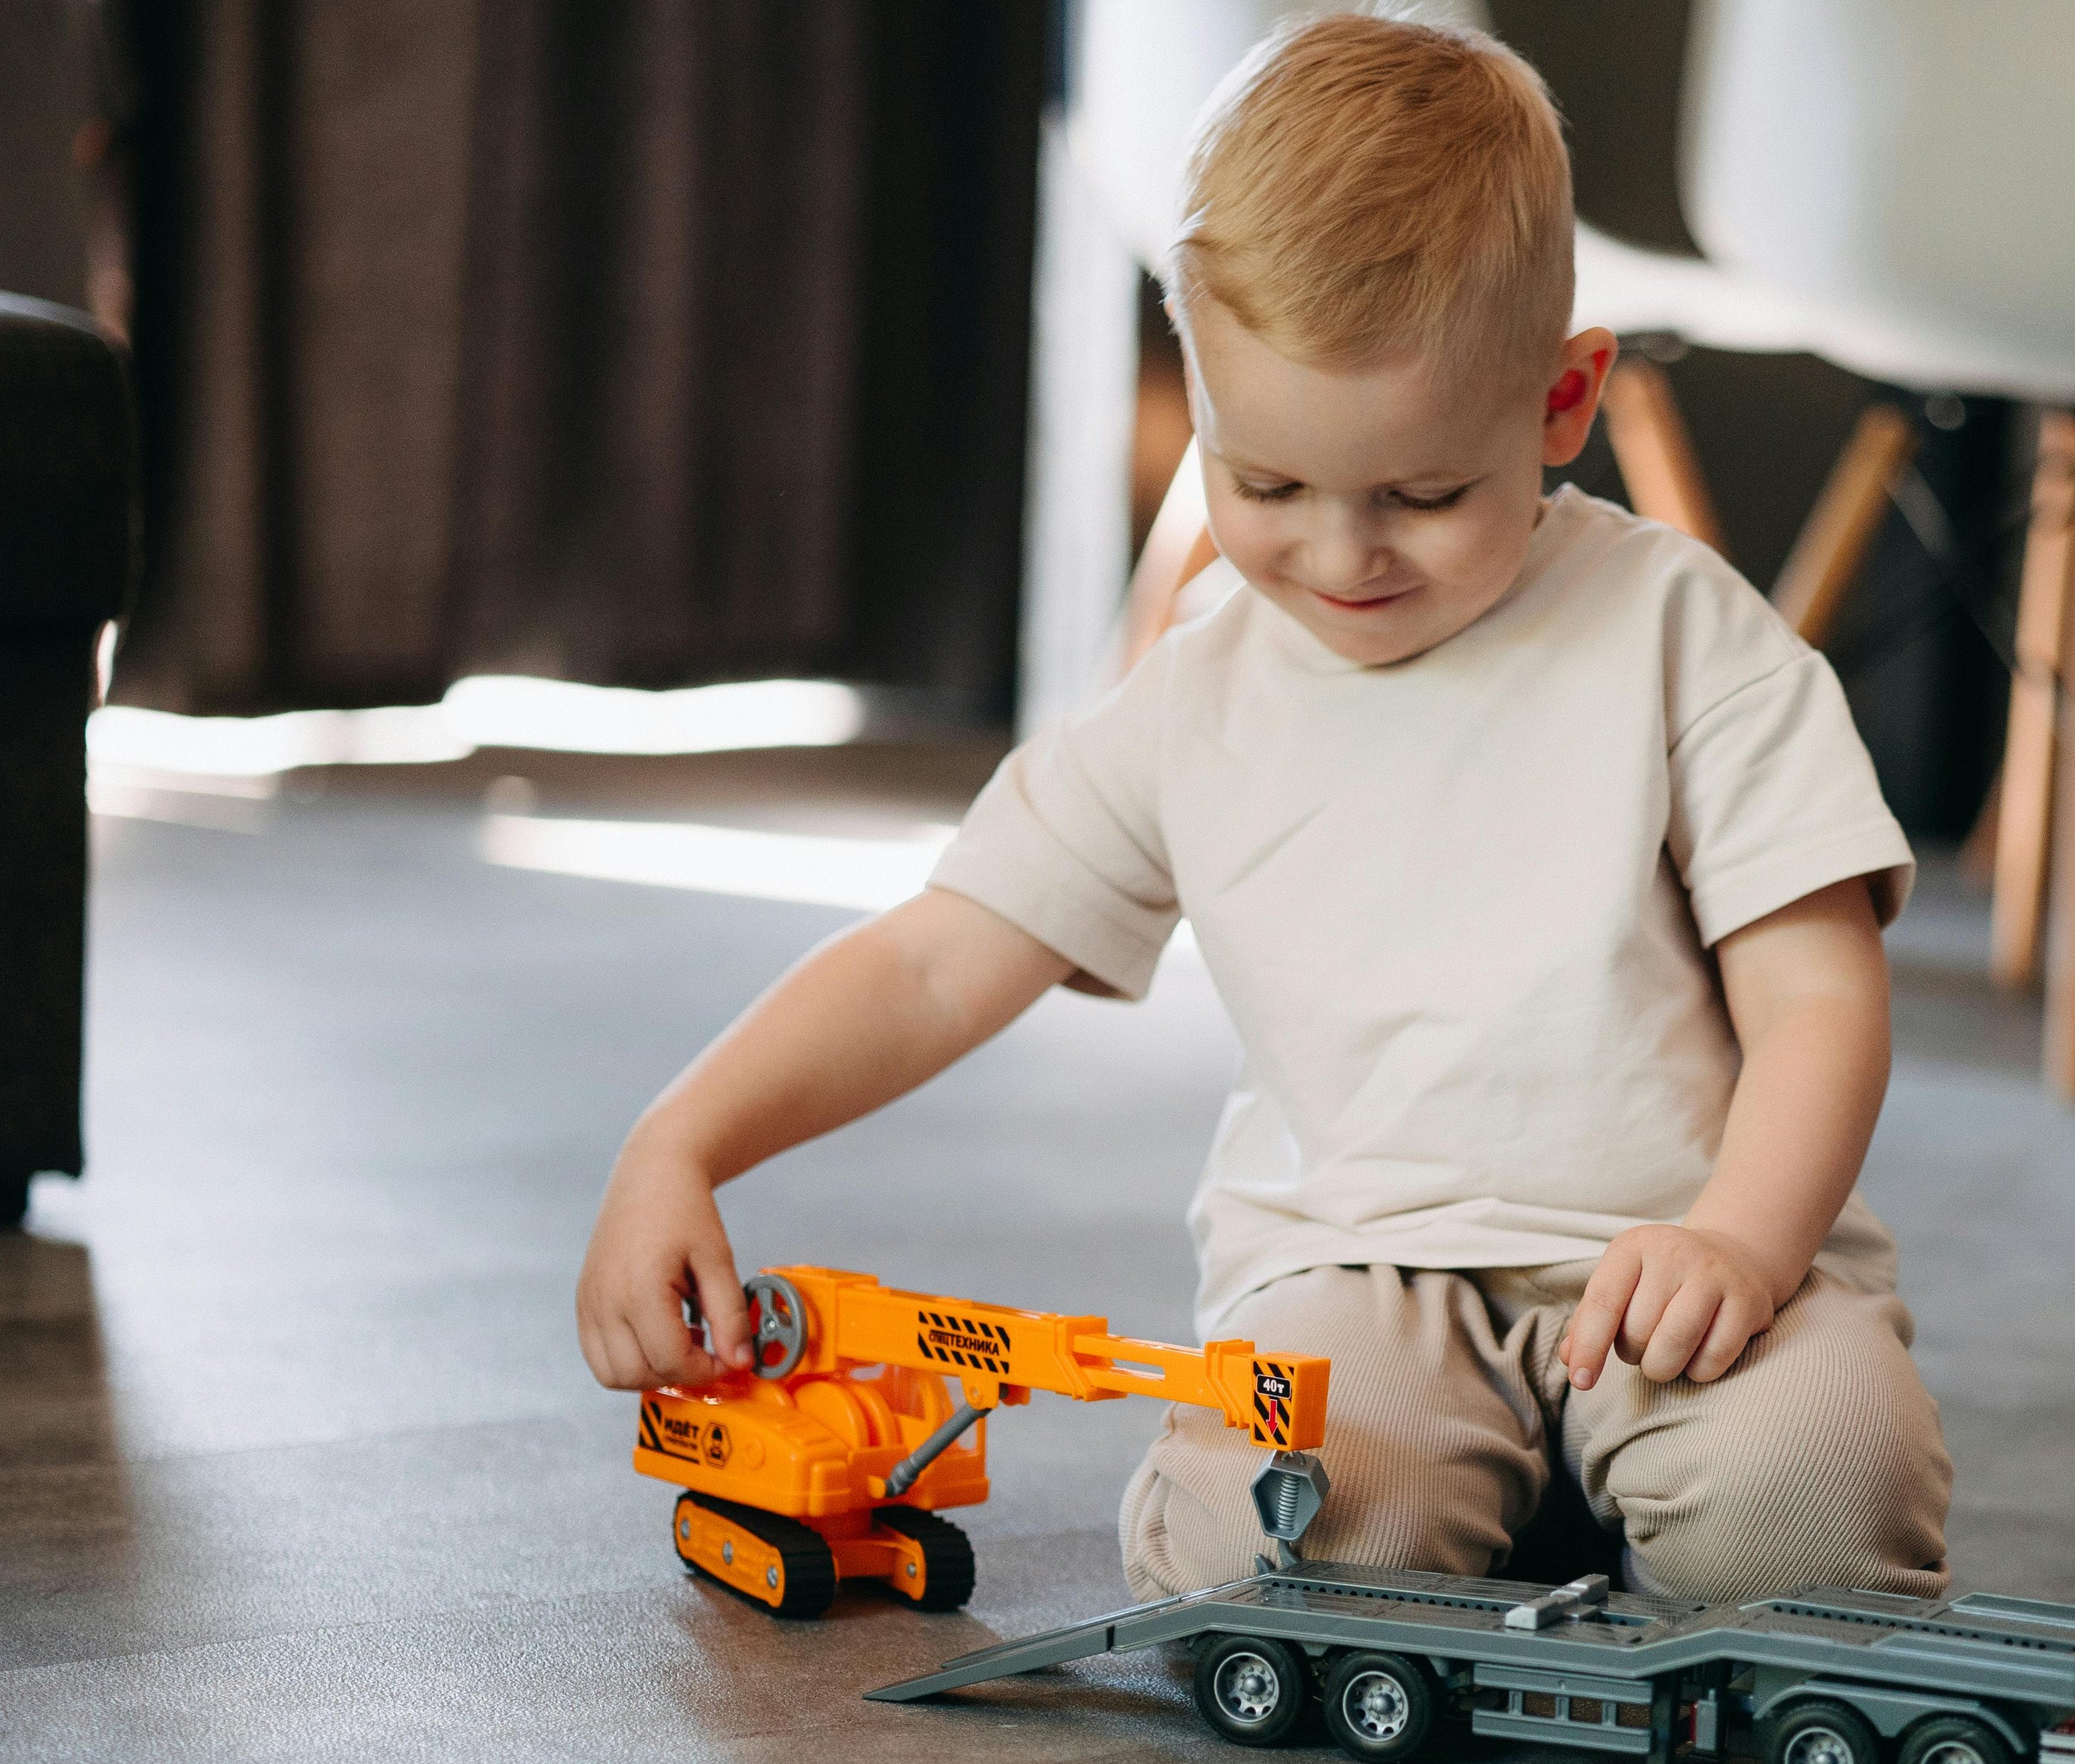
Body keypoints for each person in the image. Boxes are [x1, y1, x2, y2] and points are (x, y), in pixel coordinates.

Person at [573, 13, 1950, 1605]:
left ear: (1563, 402)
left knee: (1820, 1506)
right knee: (1281, 1547)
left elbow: (1819, 994)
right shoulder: (1195, 697)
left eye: (1424, 494)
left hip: (1684, 1252)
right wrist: (684, 1139)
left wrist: (1744, 1241)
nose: (1342, 554)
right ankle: (1505, 1492)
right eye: (1268, 484)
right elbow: (939, 960)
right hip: (1357, 1274)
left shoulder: (1686, 635)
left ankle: (1600, 1474)